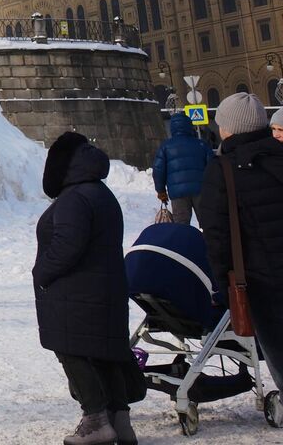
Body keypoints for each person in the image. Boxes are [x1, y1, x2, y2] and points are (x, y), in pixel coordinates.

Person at [34, 131, 140, 445]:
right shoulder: (99, 192)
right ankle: (120, 421)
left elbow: (67, 246)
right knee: (105, 352)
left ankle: (95, 420)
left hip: (77, 292)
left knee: (72, 350)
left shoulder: (74, 198)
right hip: (103, 288)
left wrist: (42, 271)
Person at [197, 91, 283, 391]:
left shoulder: (221, 170)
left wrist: (224, 287)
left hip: (263, 284)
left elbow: (217, 238)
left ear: (229, 128)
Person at [151, 112, 211, 225]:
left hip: (178, 193)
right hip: (201, 191)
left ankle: (185, 242)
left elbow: (158, 170)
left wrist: (161, 191)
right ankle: (207, 242)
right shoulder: (201, 145)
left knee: (181, 225)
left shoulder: (165, 147)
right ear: (189, 126)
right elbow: (212, 167)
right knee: (208, 223)